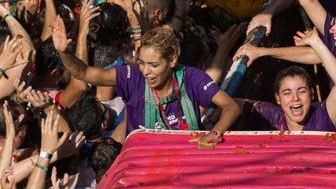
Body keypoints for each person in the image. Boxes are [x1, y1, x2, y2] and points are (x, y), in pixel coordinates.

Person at [53, 22, 242, 141]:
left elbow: (231, 107)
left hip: (187, 160)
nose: (145, 71)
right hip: (143, 165)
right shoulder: (132, 77)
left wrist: (214, 134)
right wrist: (64, 53)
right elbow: (85, 72)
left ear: (172, 60)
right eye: (142, 63)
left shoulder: (192, 78)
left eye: (153, 65)